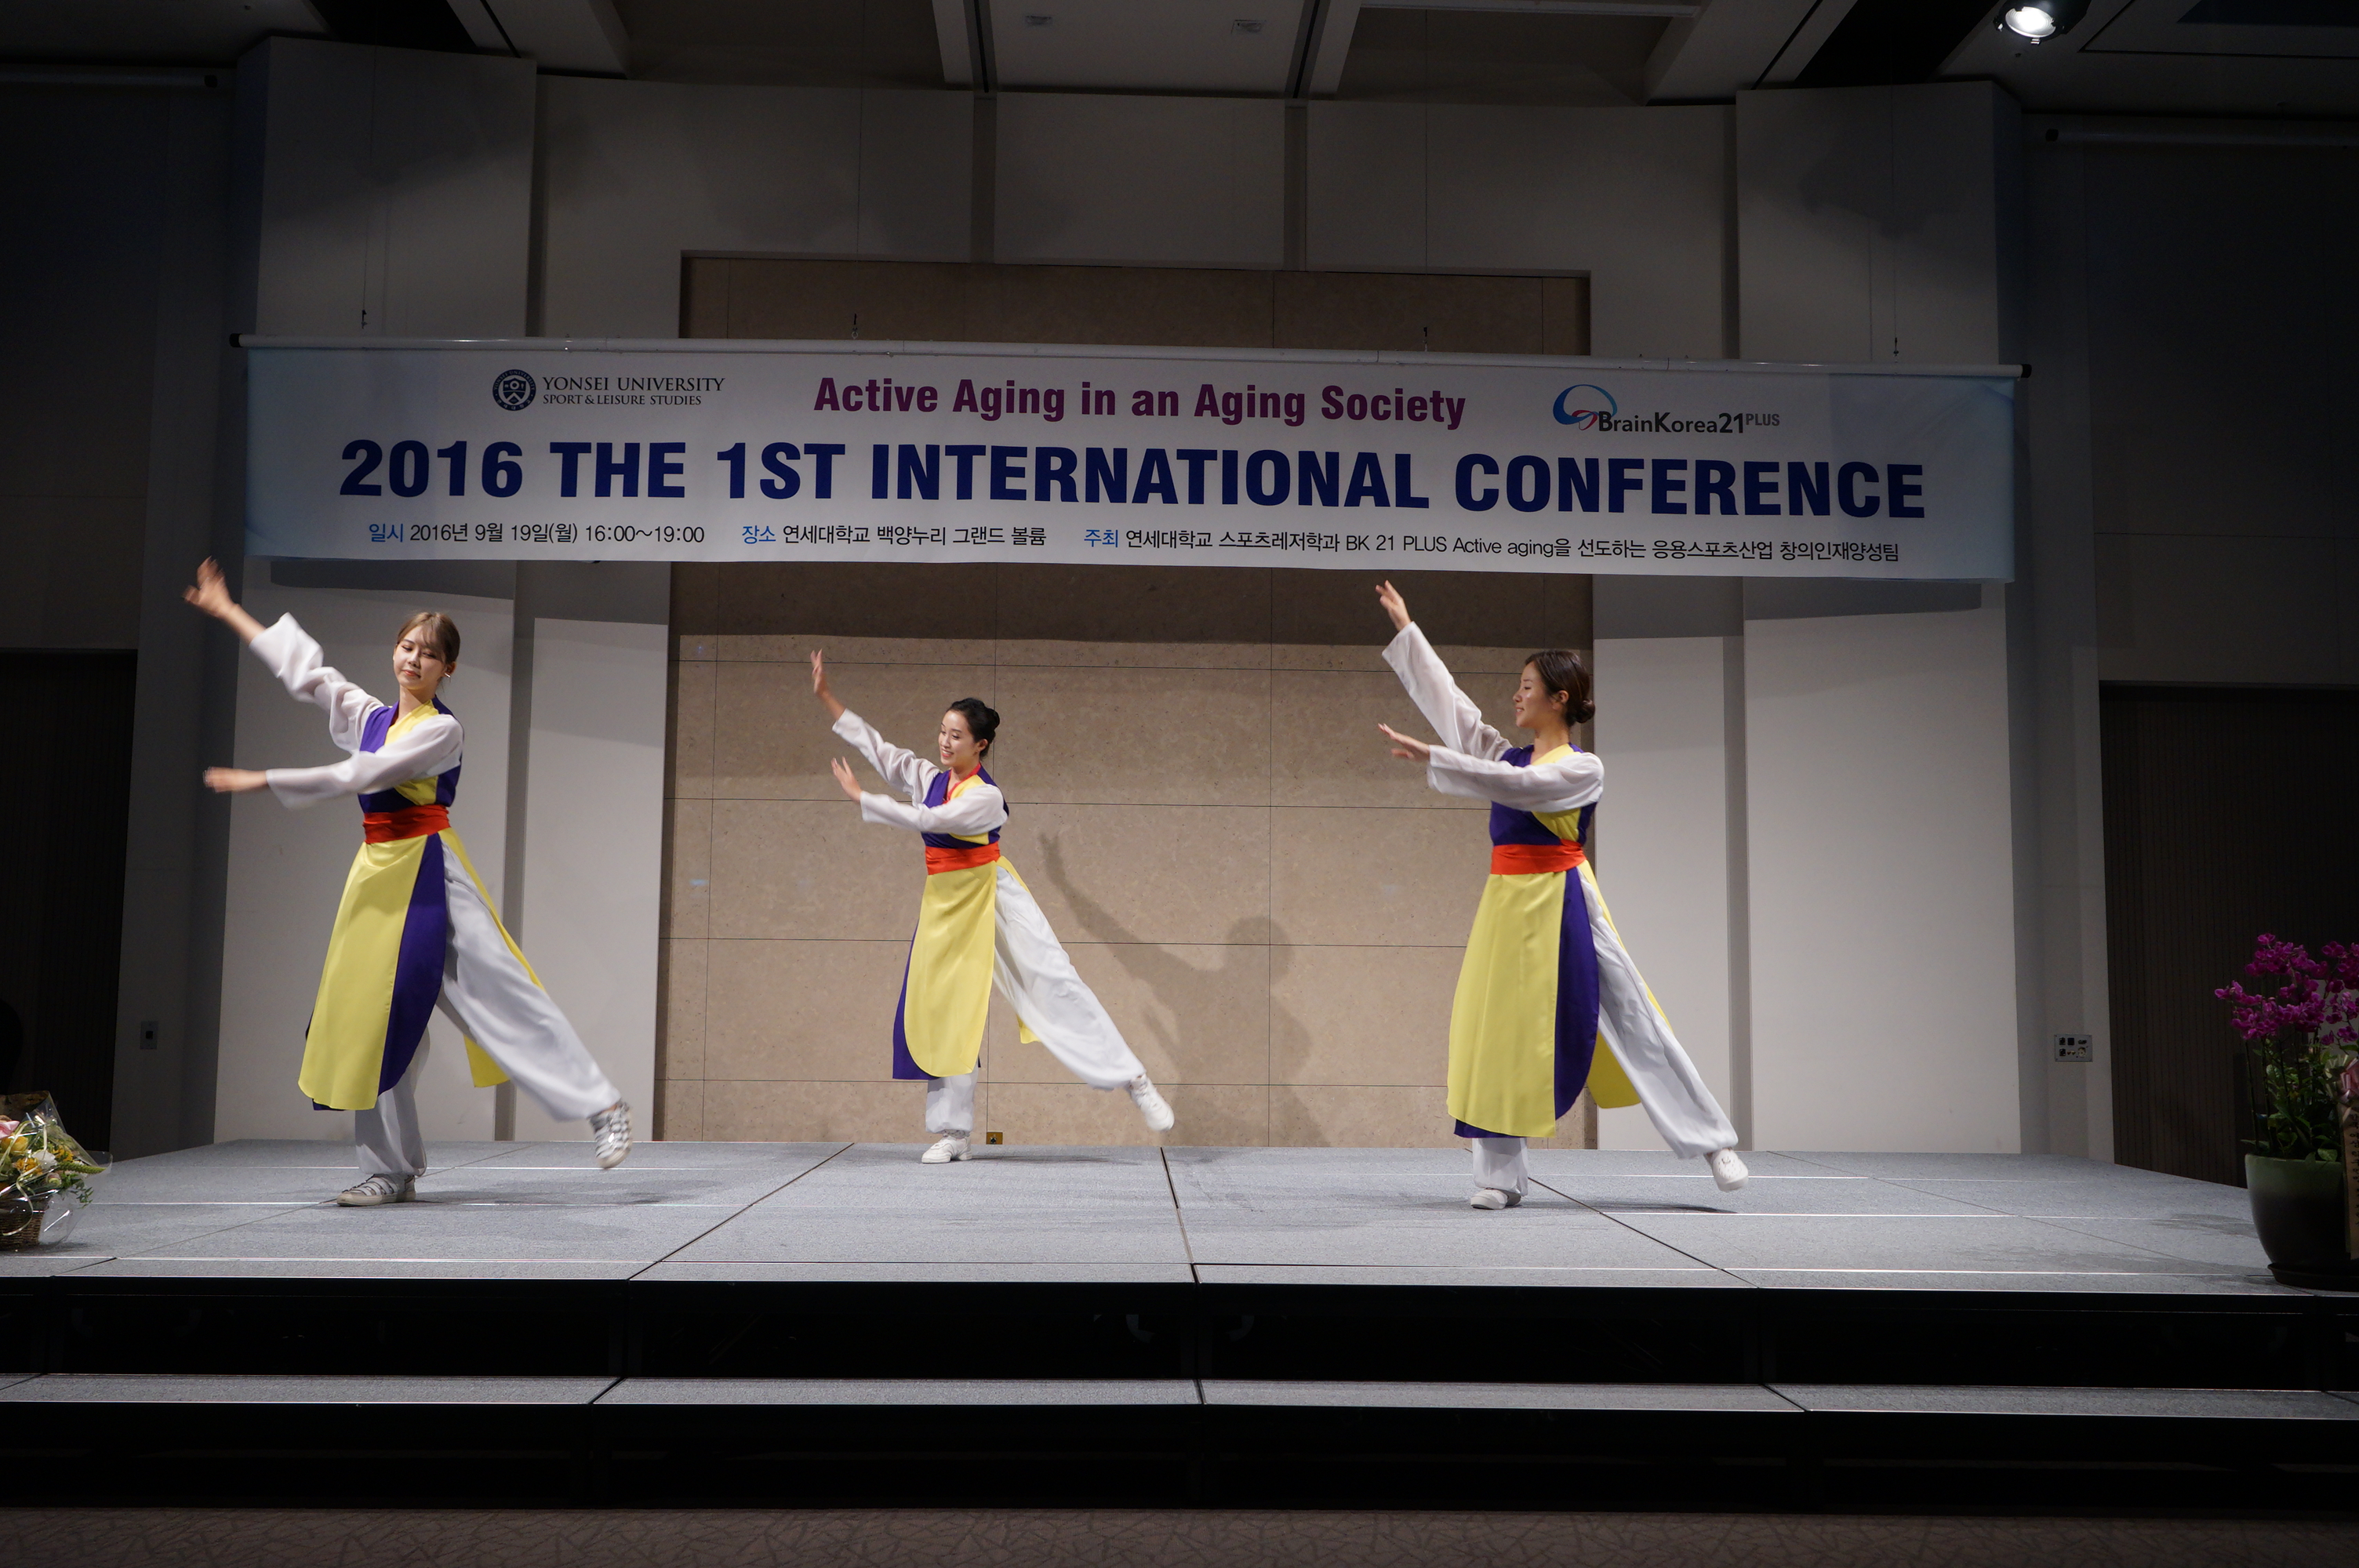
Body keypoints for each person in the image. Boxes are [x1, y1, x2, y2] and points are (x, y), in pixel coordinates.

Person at [186, 559, 631, 1204]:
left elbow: (363, 774)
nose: (414, 659)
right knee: (375, 1020)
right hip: (376, 877)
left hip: (430, 871)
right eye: (407, 647)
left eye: (429, 653)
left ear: (448, 668)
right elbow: (304, 672)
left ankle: (602, 1105)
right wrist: (228, 609)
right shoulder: (368, 715)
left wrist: (264, 779)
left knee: (502, 994)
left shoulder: (441, 730)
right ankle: (390, 1171)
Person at [1372, 581, 1748, 1208]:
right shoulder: (1510, 758)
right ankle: (1498, 1179)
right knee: (1498, 1034)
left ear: (1560, 698)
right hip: (1507, 906)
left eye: (1527, 686)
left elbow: (1516, 789)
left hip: (1568, 901)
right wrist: (1408, 631)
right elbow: (1457, 711)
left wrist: (1436, 758)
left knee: (1634, 1017)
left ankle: (1714, 1142)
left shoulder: (1580, 768)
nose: (1516, 695)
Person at [812, 652, 1175, 1161]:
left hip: (994, 893)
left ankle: (1133, 1078)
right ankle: (954, 1134)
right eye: (942, 732)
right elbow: (882, 750)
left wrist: (863, 800)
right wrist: (829, 698)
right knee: (948, 1012)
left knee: (1054, 980)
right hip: (946, 905)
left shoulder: (984, 797)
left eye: (956, 736)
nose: (945, 742)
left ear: (980, 744)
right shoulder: (929, 776)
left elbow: (930, 820)